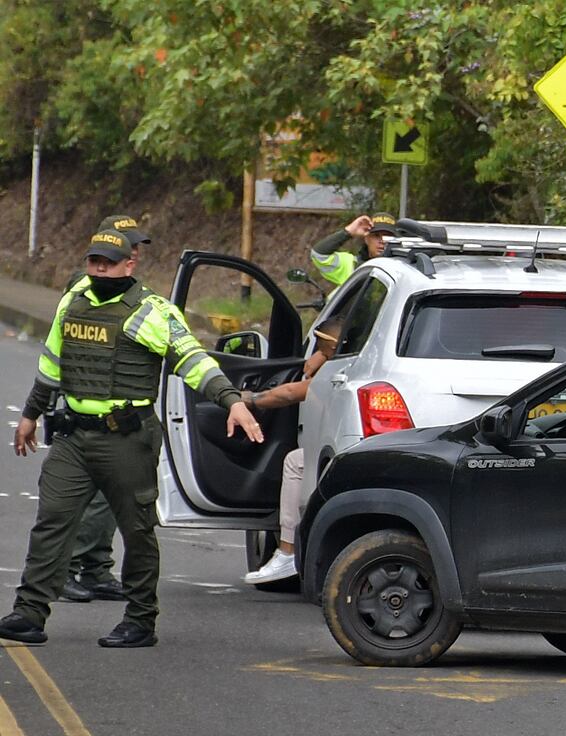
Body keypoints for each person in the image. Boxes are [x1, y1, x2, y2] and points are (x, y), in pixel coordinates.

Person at [0, 229, 262, 648]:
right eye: (93, 262)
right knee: (51, 523)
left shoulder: (151, 311)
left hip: (126, 439)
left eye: (108, 262)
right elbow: (53, 363)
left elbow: (193, 359)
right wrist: (31, 413)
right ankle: (29, 614)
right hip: (73, 438)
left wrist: (230, 399)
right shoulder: (75, 302)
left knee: (137, 531)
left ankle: (140, 620)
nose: (99, 269)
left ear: (129, 264)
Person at [59, 213, 152, 604]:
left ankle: (95, 568)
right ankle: (65, 569)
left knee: (105, 501)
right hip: (89, 413)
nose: (137, 251)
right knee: (83, 501)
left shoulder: (123, 287)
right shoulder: (86, 289)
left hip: (110, 416)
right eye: (131, 244)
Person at [239, 319, 342, 585]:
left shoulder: (341, 367)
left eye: (321, 347)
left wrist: (248, 399)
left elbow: (290, 393)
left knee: (296, 461)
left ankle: (287, 551)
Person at [309, 212, 397, 288]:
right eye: (376, 236)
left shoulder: (401, 269)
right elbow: (319, 255)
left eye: (388, 237)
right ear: (366, 239)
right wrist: (348, 232)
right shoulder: (351, 264)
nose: (382, 241)